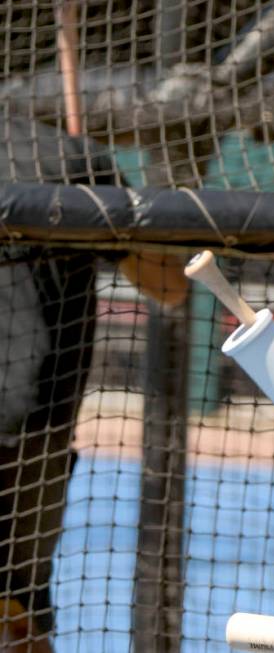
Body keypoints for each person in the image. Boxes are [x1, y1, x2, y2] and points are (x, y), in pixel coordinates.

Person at [0, 113, 185, 652]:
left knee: (18, 613)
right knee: (18, 612)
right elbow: (169, 284)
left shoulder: (68, 156)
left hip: (30, 427)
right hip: (33, 433)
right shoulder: (65, 155)